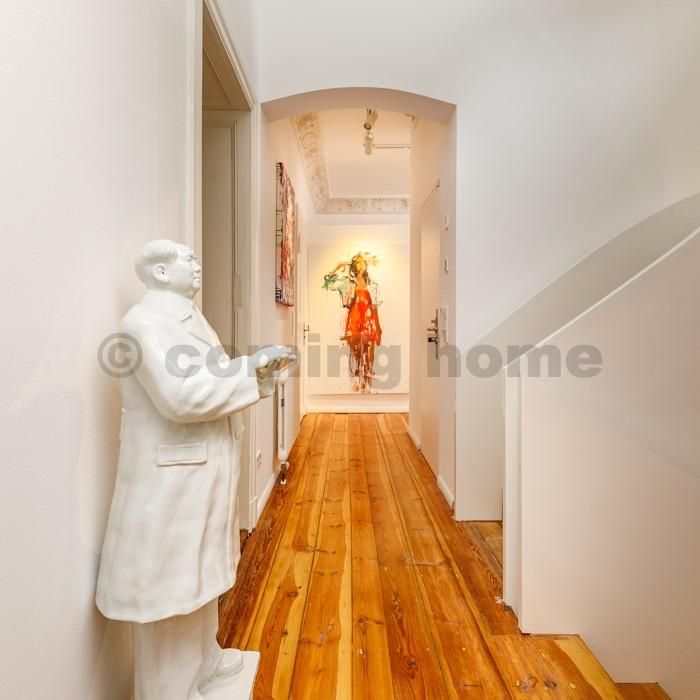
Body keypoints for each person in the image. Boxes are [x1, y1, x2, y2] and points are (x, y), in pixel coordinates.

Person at [95, 239, 295, 699]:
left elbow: (209, 376)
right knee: (173, 590)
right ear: (161, 272)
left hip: (197, 475)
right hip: (171, 482)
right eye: (187, 259)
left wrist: (255, 371)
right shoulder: (144, 324)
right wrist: (249, 371)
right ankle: (172, 688)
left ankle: (205, 661)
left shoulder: (187, 318)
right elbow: (180, 396)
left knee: (199, 577)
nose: (197, 264)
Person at [323, 252, 382, 392]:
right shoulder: (348, 282)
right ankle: (357, 379)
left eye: (362, 262)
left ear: (365, 265)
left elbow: (375, 305)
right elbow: (328, 282)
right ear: (354, 266)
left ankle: (367, 381)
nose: (360, 265)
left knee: (369, 350)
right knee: (357, 353)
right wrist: (338, 267)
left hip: (369, 319)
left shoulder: (372, 284)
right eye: (357, 262)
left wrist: (378, 326)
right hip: (355, 320)